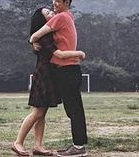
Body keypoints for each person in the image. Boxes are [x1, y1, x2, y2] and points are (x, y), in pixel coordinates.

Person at [12, 8, 85, 157]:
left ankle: (38, 145)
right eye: (47, 13)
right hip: (43, 75)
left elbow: (34, 37)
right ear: (42, 21)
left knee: (42, 113)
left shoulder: (48, 34)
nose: (52, 13)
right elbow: (59, 54)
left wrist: (31, 40)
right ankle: (18, 142)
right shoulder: (45, 38)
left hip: (49, 75)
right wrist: (79, 53)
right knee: (37, 112)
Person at [30, 0, 88, 157]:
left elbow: (35, 35)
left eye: (57, 0)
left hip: (66, 69)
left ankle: (78, 147)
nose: (54, 3)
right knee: (74, 108)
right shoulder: (69, 17)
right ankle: (78, 144)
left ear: (67, 2)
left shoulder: (60, 17)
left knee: (74, 109)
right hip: (69, 69)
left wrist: (32, 40)